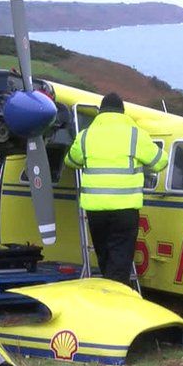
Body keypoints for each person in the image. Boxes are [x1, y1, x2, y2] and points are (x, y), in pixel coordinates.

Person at [64, 92, 168, 285]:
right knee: (120, 258)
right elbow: (161, 162)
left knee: (104, 255)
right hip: (125, 210)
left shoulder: (86, 135)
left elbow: (70, 161)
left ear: (101, 112)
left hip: (95, 210)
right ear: (122, 112)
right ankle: (115, 297)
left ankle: (108, 292)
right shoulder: (135, 135)